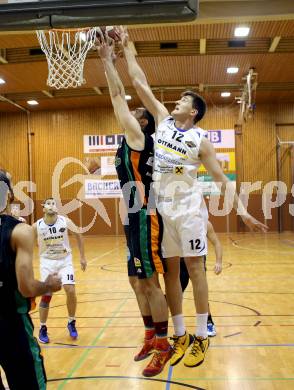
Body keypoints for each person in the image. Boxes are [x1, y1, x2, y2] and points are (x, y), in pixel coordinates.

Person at [119, 27, 268, 368]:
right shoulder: (163, 120)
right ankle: (181, 334)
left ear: (194, 112)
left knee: (195, 270)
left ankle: (201, 336)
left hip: (188, 211)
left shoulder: (201, 140)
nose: (176, 102)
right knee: (171, 274)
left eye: (184, 100)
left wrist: (242, 211)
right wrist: (128, 48)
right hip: (162, 209)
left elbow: (221, 179)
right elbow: (140, 83)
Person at [95, 35, 172, 377]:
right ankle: (149, 335)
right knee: (134, 281)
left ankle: (163, 344)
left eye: (136, 112)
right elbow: (131, 86)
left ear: (142, 123)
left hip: (146, 214)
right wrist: (124, 51)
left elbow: (116, 94)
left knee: (151, 283)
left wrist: (107, 59)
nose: (130, 111)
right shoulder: (133, 140)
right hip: (133, 214)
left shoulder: (139, 138)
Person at [0, 169, 62, 390]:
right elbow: (26, 288)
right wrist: (49, 285)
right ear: (9, 194)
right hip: (10, 324)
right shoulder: (19, 231)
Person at [32, 198, 87, 344]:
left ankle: (71, 321)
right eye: (48, 203)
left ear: (57, 208)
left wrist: (82, 257)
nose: (51, 205)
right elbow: (26, 242)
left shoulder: (65, 221)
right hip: (47, 262)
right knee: (47, 295)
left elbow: (79, 235)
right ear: (43, 208)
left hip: (64, 260)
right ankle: (42, 327)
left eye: (53, 203)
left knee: (70, 289)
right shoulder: (36, 225)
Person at [180, 220, 222, 337]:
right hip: (180, 261)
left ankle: (208, 322)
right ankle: (168, 326)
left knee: (201, 295)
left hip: (197, 262)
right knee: (175, 295)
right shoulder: (176, 218)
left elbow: (217, 243)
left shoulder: (205, 223)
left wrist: (219, 262)